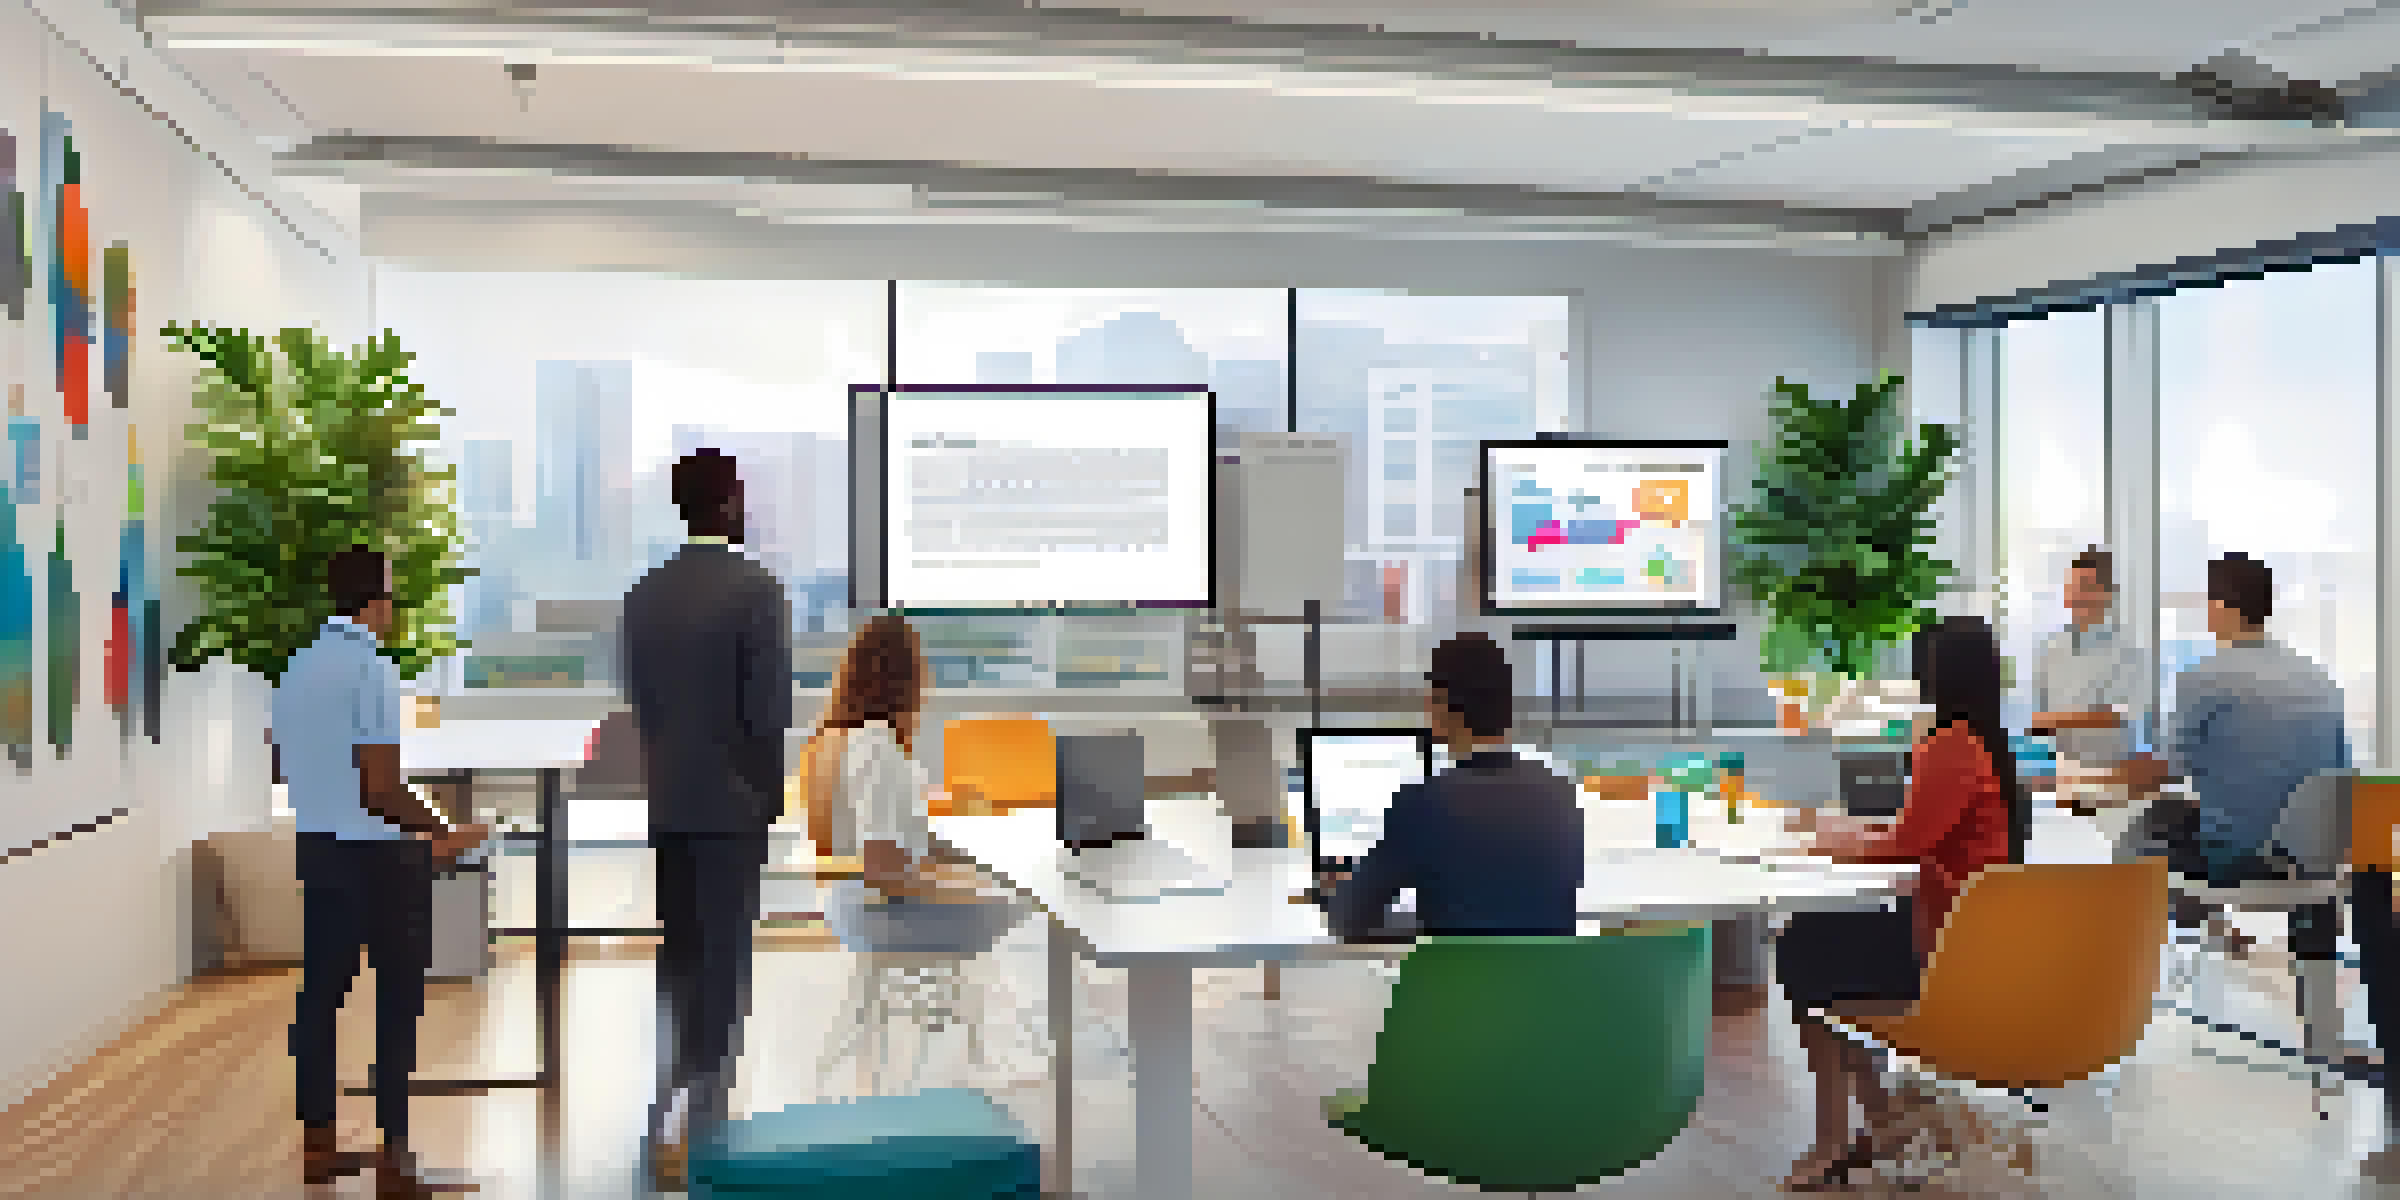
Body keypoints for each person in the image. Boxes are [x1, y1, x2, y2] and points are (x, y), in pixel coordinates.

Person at [1775, 615, 2017, 1193]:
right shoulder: (1985, 745)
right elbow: (1928, 833)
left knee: (1804, 947)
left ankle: (1838, 1136)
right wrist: (1866, 833)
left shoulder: (1948, 747)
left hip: (1940, 951)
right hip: (1972, 944)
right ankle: (1879, 1117)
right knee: (1821, 949)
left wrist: (1839, 840)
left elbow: (1908, 845)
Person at [275, 545, 488, 1198]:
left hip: (318, 848)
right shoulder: (372, 669)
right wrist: (440, 830)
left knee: (319, 999)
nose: (393, 608)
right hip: (378, 861)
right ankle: (395, 1159)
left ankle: (317, 1147)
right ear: (377, 601)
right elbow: (381, 788)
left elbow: (288, 768)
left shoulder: (296, 667)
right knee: (398, 1002)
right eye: (391, 594)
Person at [620, 449, 794, 1188]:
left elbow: (643, 701)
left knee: (682, 951)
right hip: (730, 807)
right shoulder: (756, 590)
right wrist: (765, 796)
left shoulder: (643, 593)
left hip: (670, 800)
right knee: (724, 961)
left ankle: (670, 1102)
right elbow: (767, 712)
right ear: (728, 503)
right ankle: (708, 1128)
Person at [2120, 553, 2349, 957]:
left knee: (2151, 828)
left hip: (2241, 863)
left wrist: (2115, 769)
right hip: (2316, 860)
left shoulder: (2202, 677)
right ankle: (2311, 969)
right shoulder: (2320, 678)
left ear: (2221, 607)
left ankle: (2169, 951)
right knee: (2194, 821)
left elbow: (2162, 772)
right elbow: (2339, 775)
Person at [1322, 632, 1583, 940]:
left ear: (1440, 705)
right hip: (1544, 987)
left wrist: (1338, 890)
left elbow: (1348, 921)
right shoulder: (1560, 794)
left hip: (1457, 987)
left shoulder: (1422, 803)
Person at [2026, 547, 2151, 834]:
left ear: (2108, 595)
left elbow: (2120, 715)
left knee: (2109, 862)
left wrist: (2055, 721)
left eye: (2086, 588)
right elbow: (2042, 716)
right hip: (2063, 778)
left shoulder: (2127, 651)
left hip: (2111, 781)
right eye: (2072, 587)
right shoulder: (2050, 649)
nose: (2076, 596)